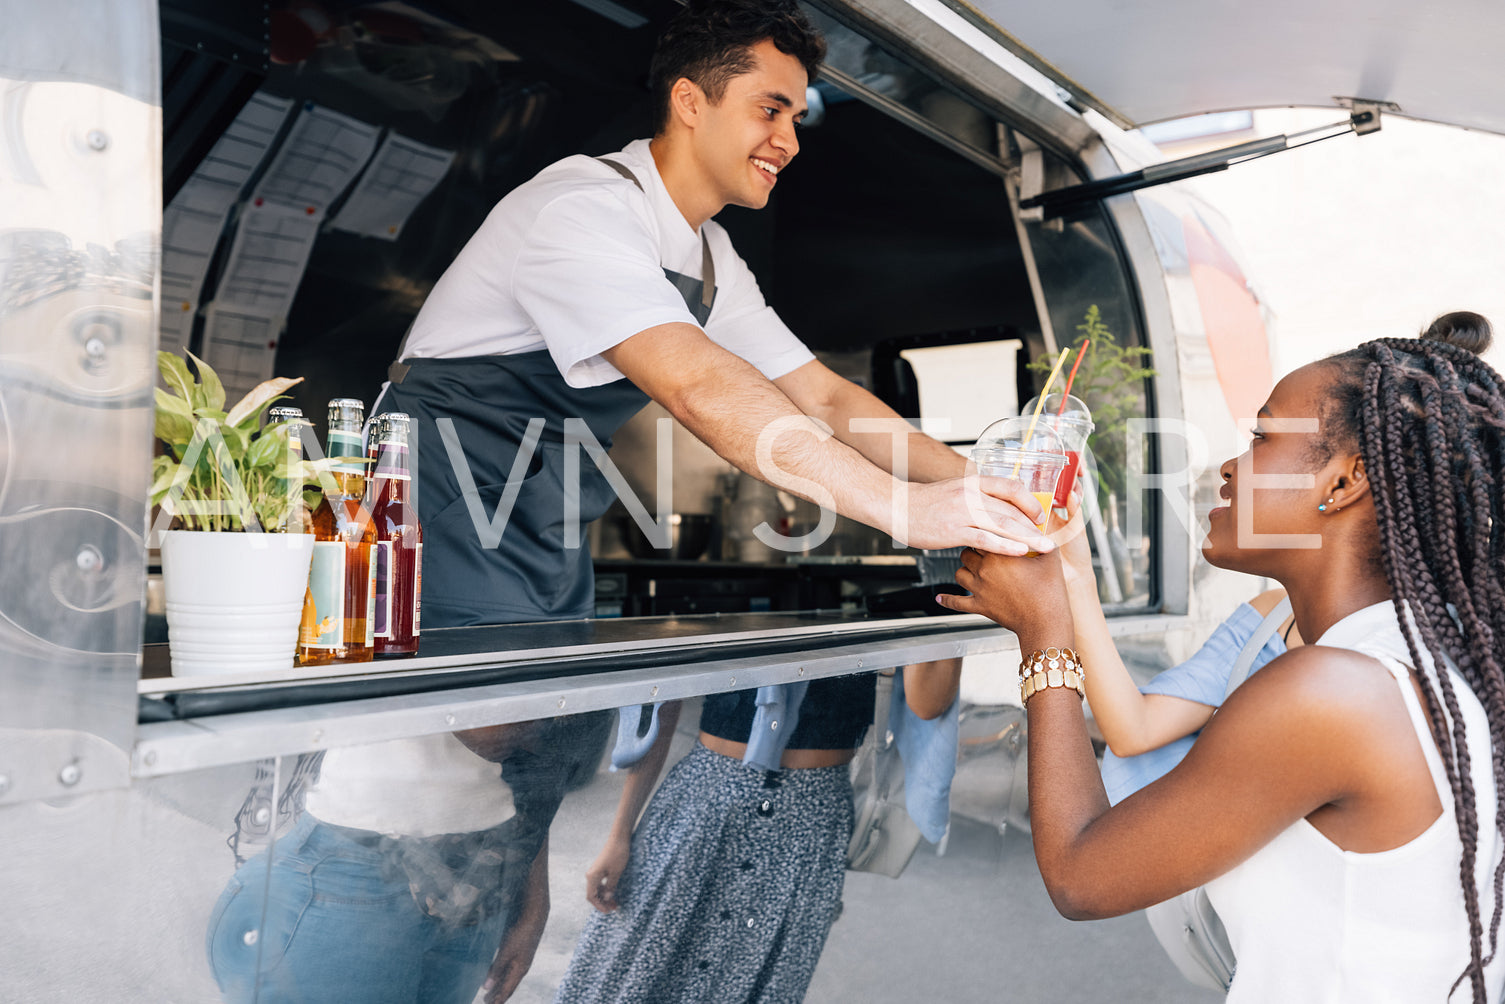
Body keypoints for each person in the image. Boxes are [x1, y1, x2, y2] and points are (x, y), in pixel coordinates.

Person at [208, 2, 1047, 1002]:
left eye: (798, 114)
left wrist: (982, 487)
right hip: (429, 505)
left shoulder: (702, 256)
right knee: (469, 736)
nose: (788, 139)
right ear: (689, 101)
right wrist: (905, 512)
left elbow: (816, 393)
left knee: (526, 732)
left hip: (531, 521)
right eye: (769, 109)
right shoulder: (580, 210)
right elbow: (697, 383)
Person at [939, 335, 1505, 1001]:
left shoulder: (1335, 690)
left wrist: (1042, 635)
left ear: (1345, 480)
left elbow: (1081, 875)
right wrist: (1066, 582)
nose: (1229, 468)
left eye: (1261, 438)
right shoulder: (1429, 657)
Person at [554, 660, 962, 1004]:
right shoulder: (751, 582)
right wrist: (619, 835)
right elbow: (663, 703)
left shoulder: (869, 585)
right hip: (705, 799)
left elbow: (927, 704)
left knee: (759, 979)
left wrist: (941, 589)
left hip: (811, 815)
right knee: (623, 972)